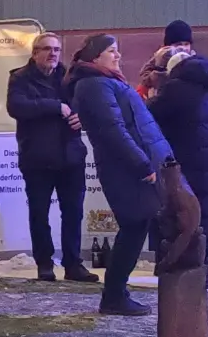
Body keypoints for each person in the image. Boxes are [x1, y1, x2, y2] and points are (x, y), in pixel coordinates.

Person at [68, 35, 174, 316]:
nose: (117, 56)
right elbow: (114, 130)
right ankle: (114, 294)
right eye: (111, 51)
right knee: (134, 226)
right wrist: (142, 164)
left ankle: (116, 292)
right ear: (94, 57)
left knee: (137, 225)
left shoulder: (105, 81)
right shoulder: (94, 84)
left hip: (130, 164)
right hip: (124, 168)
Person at [7, 33, 98, 283]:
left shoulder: (69, 78)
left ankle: (73, 264)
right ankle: (44, 264)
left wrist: (82, 117)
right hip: (37, 158)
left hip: (71, 157)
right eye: (47, 49)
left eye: (57, 49)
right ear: (34, 53)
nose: (53, 54)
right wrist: (55, 107)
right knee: (39, 213)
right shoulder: (19, 78)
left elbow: (84, 105)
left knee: (73, 213)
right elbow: (17, 107)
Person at [148, 49, 208, 287]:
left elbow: (151, 116)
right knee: (205, 210)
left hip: (183, 157)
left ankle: (190, 267)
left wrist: (156, 91)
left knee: (183, 214)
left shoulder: (175, 88)